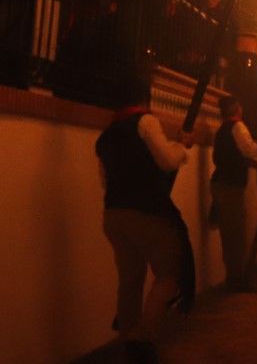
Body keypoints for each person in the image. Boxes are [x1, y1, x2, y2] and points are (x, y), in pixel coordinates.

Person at [95, 75, 197, 363]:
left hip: (113, 214)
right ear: (143, 97)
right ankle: (142, 335)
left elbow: (105, 181)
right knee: (170, 273)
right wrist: (182, 147)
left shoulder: (105, 137)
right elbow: (166, 160)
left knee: (130, 278)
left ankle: (128, 338)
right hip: (146, 212)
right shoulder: (146, 122)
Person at [211, 95, 257, 291]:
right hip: (230, 187)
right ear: (236, 108)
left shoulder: (222, 131)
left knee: (232, 233)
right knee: (235, 234)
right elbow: (249, 149)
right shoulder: (237, 127)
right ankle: (236, 279)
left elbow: (236, 156)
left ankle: (235, 277)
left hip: (224, 185)